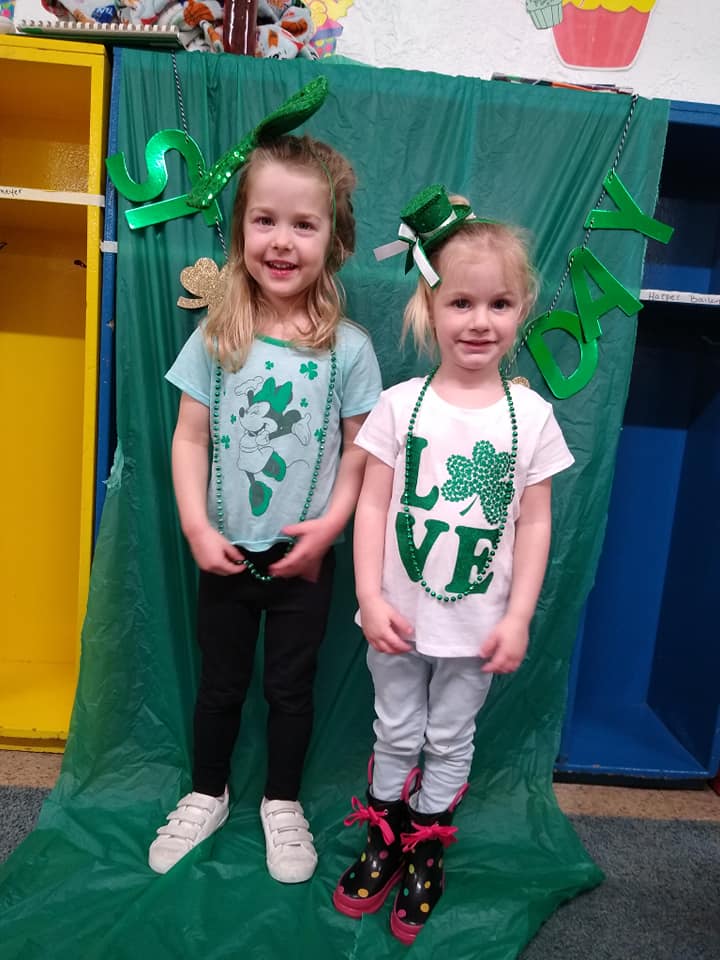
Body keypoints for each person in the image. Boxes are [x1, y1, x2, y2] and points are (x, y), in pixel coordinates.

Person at [333, 185, 574, 943]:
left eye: (499, 304)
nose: (479, 321)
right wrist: (369, 598)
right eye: (461, 303)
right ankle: (383, 840)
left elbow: (534, 523)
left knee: (450, 737)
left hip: (476, 625)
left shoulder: (531, 416)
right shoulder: (401, 406)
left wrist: (518, 615)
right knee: (396, 729)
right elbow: (371, 506)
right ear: (428, 310)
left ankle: (426, 848)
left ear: (522, 309)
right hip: (399, 618)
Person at [152, 130, 382, 884]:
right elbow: (189, 439)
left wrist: (330, 528)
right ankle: (205, 792)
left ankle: (281, 801)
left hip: (302, 560)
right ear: (240, 229)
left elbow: (361, 451)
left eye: (303, 224)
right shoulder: (218, 335)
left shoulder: (348, 350)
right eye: (264, 221)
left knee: (290, 686)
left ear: (334, 238)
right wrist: (194, 524)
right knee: (219, 683)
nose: (281, 241)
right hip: (224, 549)